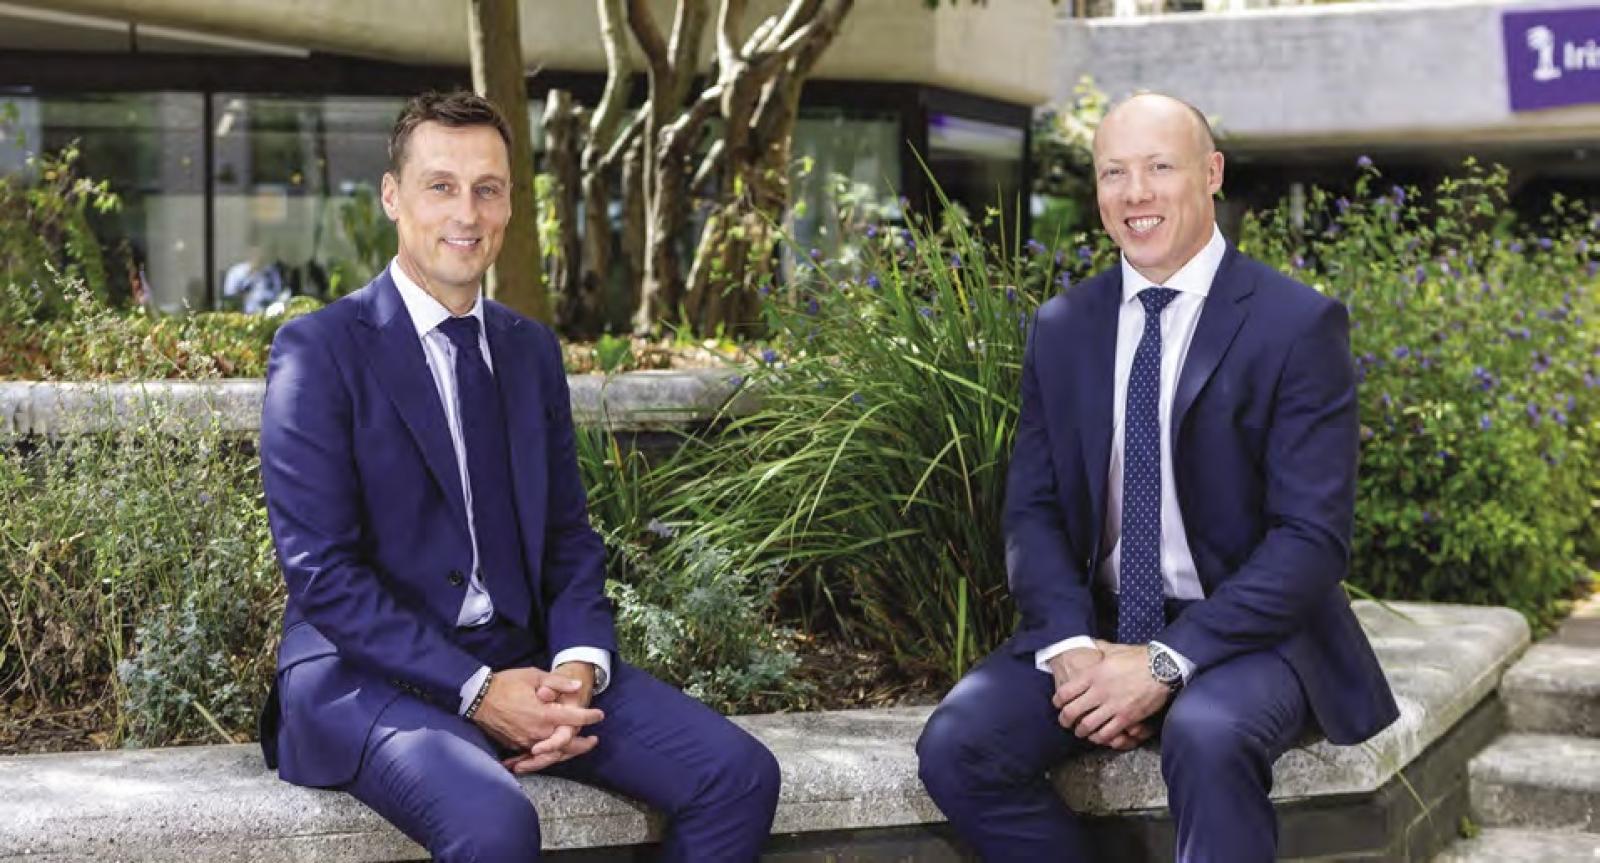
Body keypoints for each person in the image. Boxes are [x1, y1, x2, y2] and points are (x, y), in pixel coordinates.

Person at [257, 91, 780, 862]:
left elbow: (567, 535)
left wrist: (576, 664)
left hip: (522, 659)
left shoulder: (529, 351)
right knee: (497, 823)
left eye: (488, 188)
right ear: (392, 197)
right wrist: (477, 689)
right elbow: (322, 574)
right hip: (363, 677)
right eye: (441, 185)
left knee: (737, 775)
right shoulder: (319, 351)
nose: (466, 211)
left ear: (508, 204)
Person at [915, 93, 1399, 862]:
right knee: (958, 745)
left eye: (1159, 167)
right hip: (1100, 623)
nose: (1135, 193)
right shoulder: (1064, 327)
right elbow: (1034, 510)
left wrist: (1166, 661)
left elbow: (1310, 541)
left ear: (1211, 174)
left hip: (1250, 631)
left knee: (1208, 736)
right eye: (1114, 173)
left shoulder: (1296, 324)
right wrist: (1073, 645)